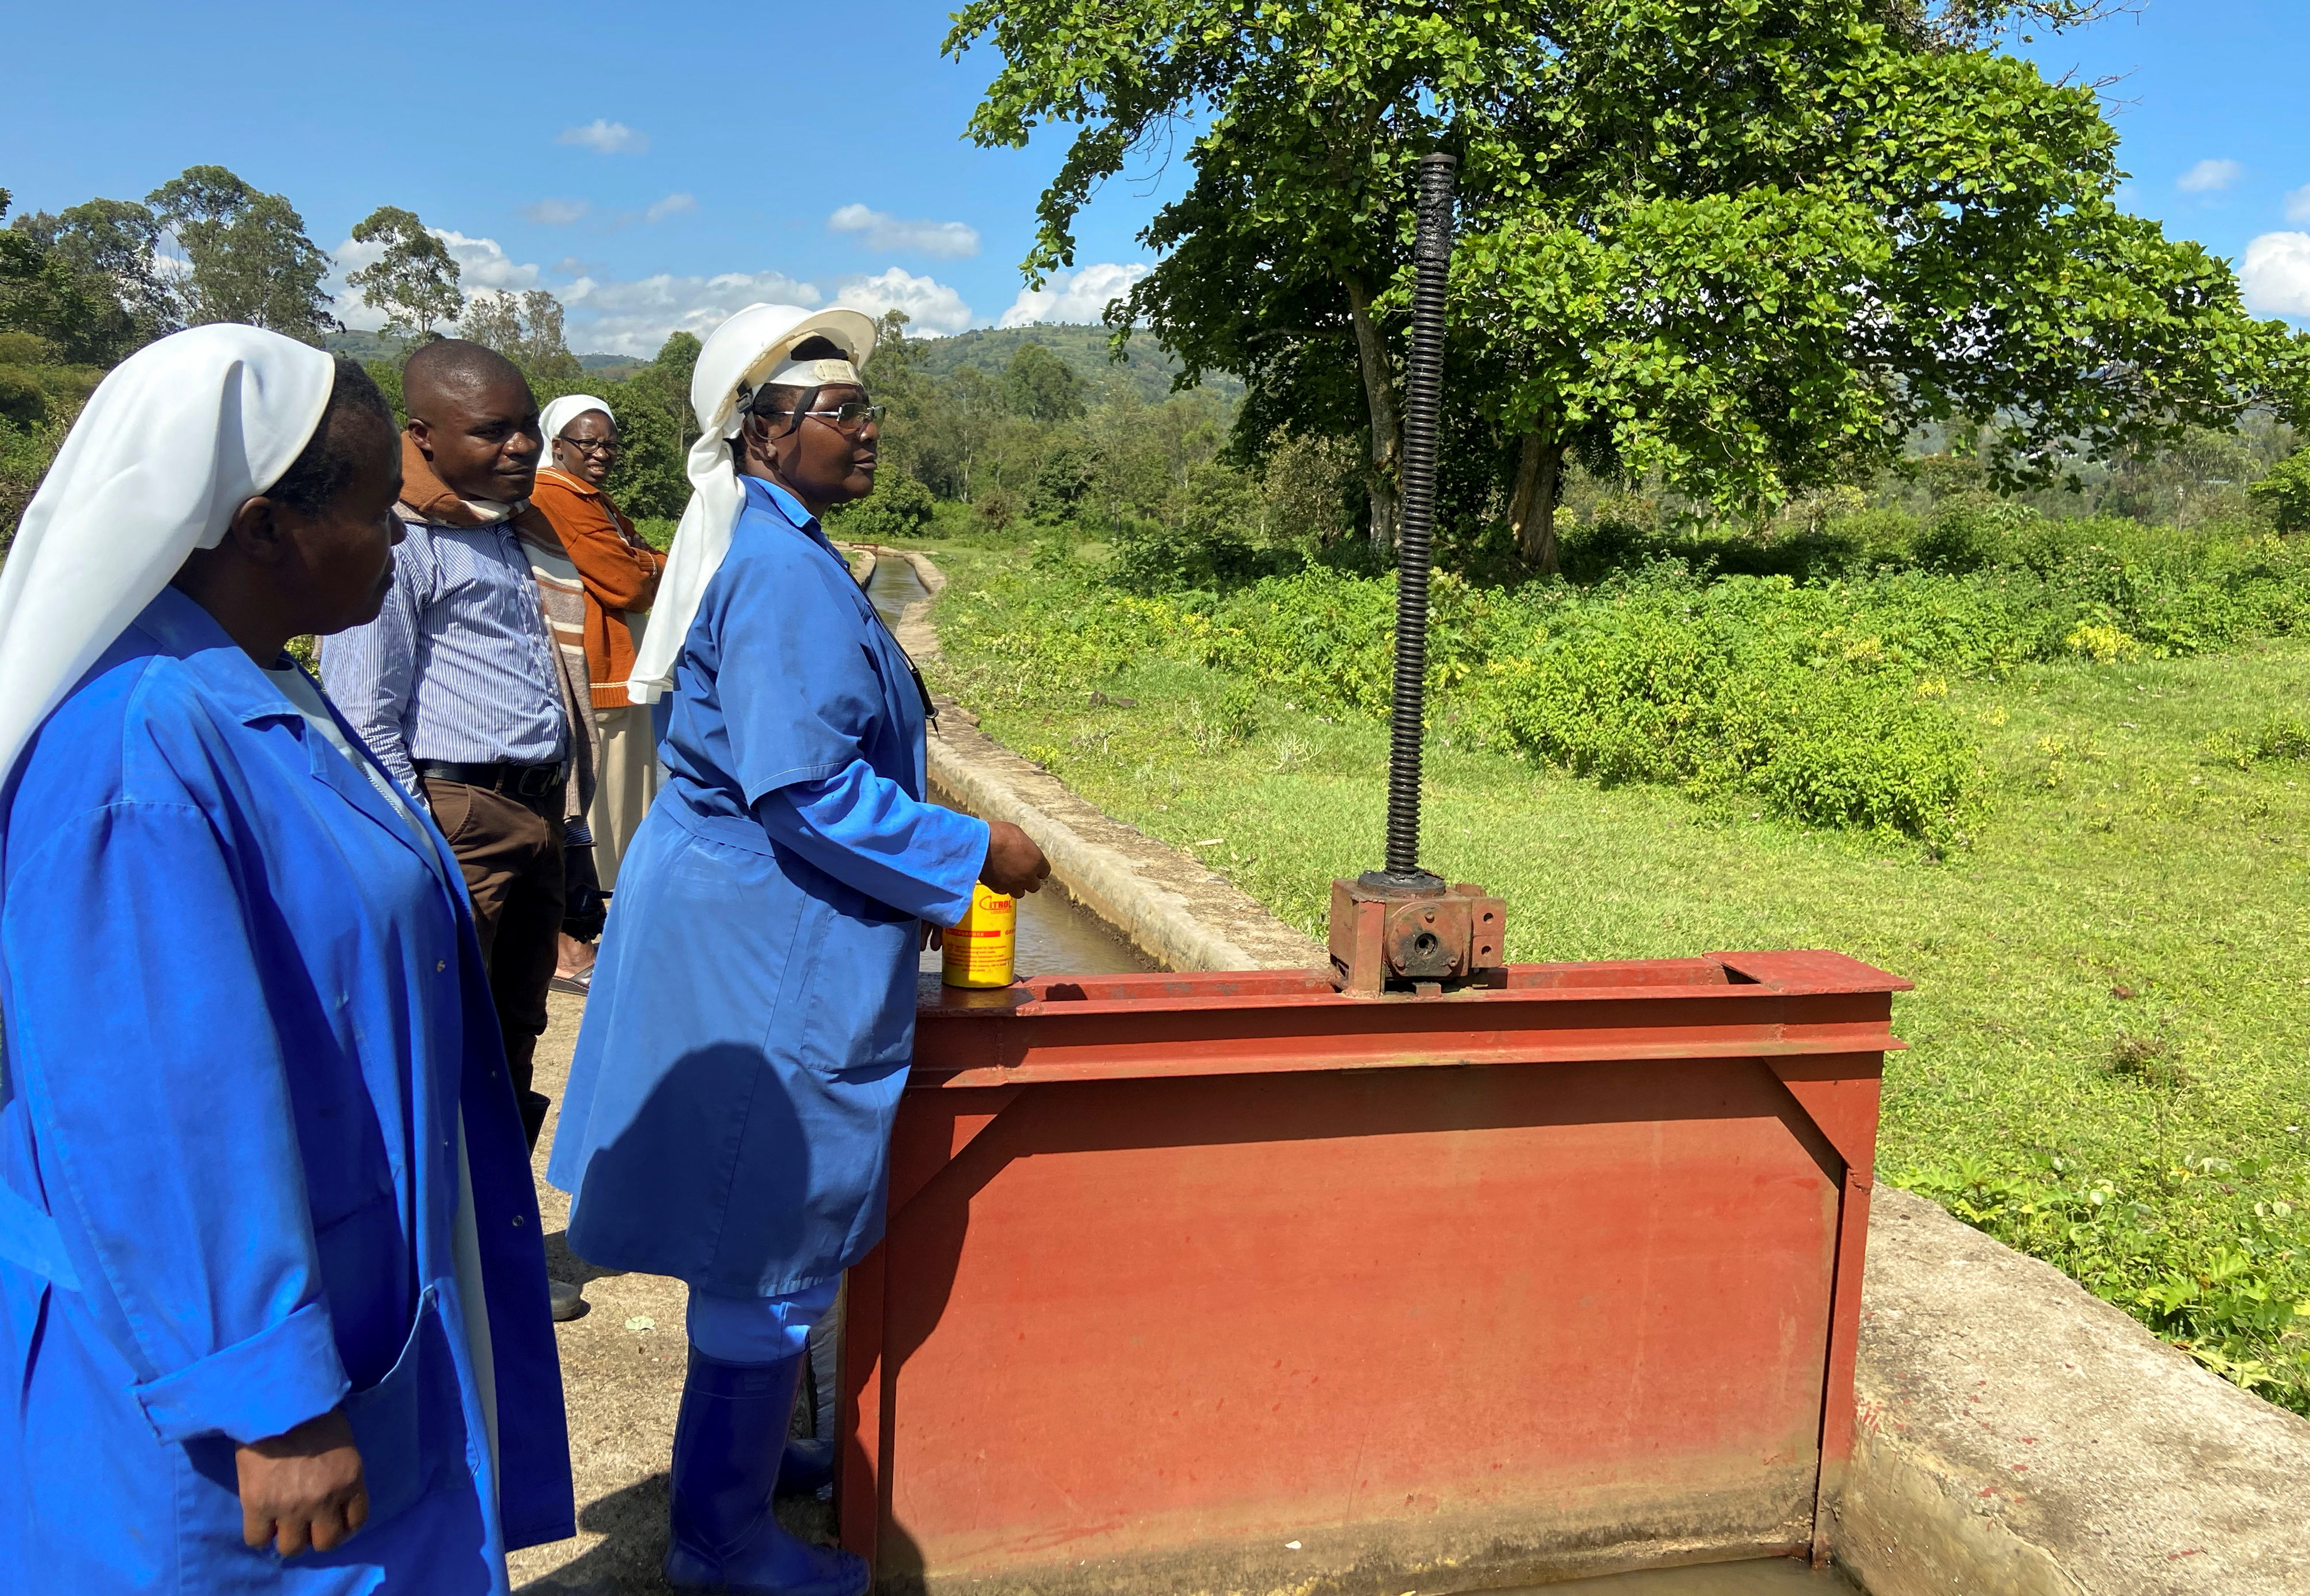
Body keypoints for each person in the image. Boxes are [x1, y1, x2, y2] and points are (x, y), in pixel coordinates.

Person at [0, 325, 574, 1591]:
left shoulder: (264, 688)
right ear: (264, 530)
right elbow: (156, 1103)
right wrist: (267, 1394)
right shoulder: (135, 757)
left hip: (347, 1281)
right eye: (378, 512)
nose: (403, 539)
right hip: (226, 1380)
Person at [546, 304, 1050, 1596]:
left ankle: (753, 1463)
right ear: (763, 437)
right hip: (761, 946)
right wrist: (968, 851)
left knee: (754, 1219)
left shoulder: (792, 552)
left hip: (759, 926)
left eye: (862, 406)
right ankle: (722, 1541)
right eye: (836, 410)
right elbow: (808, 790)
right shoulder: (778, 573)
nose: (865, 425)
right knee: (759, 1225)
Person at [321, 339, 593, 1161]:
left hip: (535, 811)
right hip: (457, 817)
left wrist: (570, 834)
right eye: (491, 432)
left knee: (514, 1030)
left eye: (525, 430)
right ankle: (439, 1256)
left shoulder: (510, 531)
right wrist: (421, 852)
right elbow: (365, 717)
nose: (519, 448)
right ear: (425, 436)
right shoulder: (401, 542)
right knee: (439, 1038)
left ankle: (500, 1258)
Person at [527, 394, 668, 991]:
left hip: (614, 672)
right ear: (557, 445)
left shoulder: (589, 499)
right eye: (588, 443)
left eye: (609, 442)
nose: (602, 453)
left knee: (615, 807)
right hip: (597, 676)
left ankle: (587, 933)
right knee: (599, 808)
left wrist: (642, 560)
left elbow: (632, 563)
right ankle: (575, 942)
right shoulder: (555, 496)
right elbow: (629, 580)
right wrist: (656, 564)